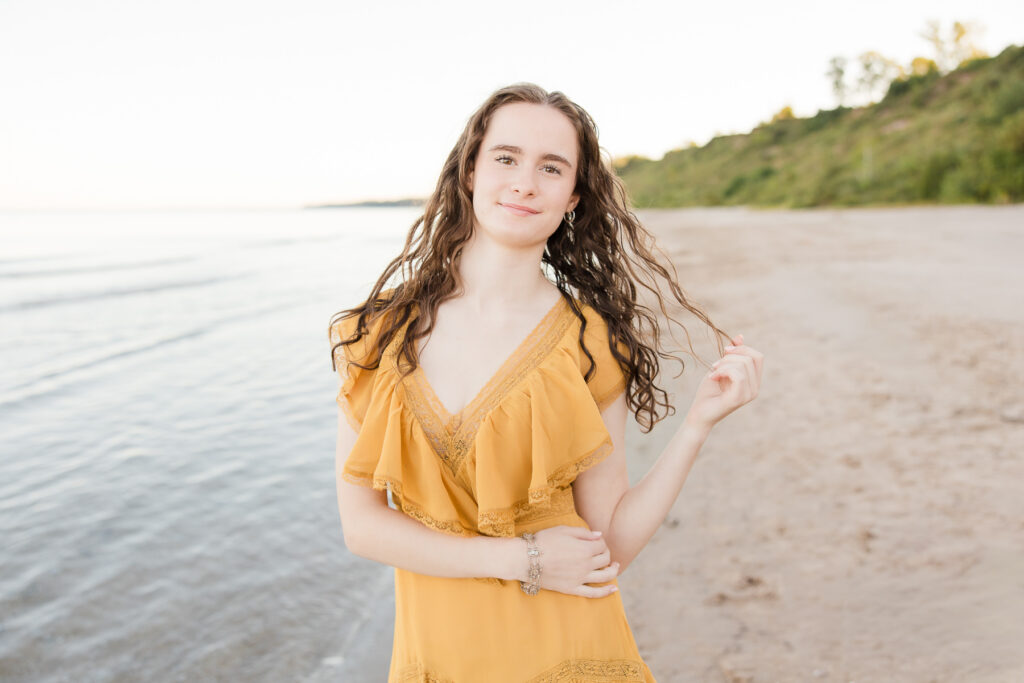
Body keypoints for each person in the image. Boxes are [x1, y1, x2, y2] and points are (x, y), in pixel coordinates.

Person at [328, 82, 763, 682]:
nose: (525, 183)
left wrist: (696, 426)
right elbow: (363, 528)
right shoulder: (378, 335)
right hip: (436, 663)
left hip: (573, 657)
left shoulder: (589, 343)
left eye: (551, 167)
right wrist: (524, 558)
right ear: (470, 173)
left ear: (574, 197)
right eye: (506, 158)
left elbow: (609, 546)